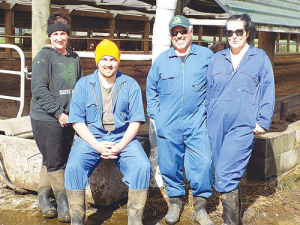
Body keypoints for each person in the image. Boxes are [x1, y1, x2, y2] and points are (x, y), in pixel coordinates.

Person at [64, 39, 151, 225]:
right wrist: (97, 145)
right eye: (103, 59)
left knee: (142, 166)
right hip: (91, 137)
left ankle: (135, 220)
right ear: (97, 62)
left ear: (118, 61)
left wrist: (119, 146)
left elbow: (136, 121)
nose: (108, 64)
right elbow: (77, 121)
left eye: (112, 59)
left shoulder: (130, 84)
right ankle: (77, 220)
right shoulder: (83, 84)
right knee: (73, 167)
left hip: (122, 137)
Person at [206, 14, 275, 224]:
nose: (233, 36)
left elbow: (267, 89)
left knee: (226, 171)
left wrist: (263, 120)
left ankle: (231, 222)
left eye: (239, 32)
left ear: (247, 33)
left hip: (242, 123)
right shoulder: (217, 58)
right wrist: (207, 116)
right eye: (229, 32)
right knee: (220, 167)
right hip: (216, 122)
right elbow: (208, 91)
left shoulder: (260, 57)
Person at [146, 15, 214, 225]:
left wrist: (208, 113)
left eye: (183, 31)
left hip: (197, 122)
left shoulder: (206, 56)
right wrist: (159, 117)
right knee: (168, 165)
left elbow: (216, 87)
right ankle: (175, 202)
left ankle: (200, 207)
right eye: (175, 33)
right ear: (170, 36)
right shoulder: (161, 61)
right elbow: (151, 91)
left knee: (203, 163)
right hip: (169, 124)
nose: (179, 36)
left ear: (191, 32)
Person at [30, 12, 83, 222]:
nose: (60, 38)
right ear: (50, 36)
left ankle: (43, 197)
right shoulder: (44, 57)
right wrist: (59, 113)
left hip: (68, 117)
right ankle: (64, 204)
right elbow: (39, 89)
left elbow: (79, 87)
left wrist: (75, 114)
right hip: (46, 117)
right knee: (57, 163)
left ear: (68, 35)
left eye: (63, 33)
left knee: (53, 158)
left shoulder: (74, 57)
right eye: (56, 34)